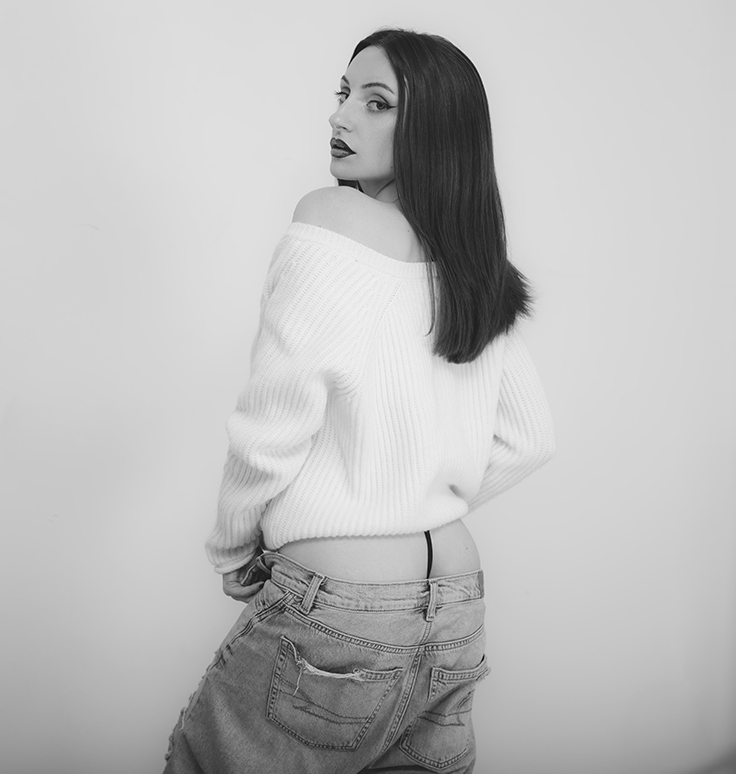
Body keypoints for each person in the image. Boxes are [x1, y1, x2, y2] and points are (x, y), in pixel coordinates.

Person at [163, 28, 556, 774]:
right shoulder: (472, 264)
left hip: (343, 606)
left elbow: (274, 419)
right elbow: (530, 438)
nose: (340, 116)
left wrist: (234, 545)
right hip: (456, 604)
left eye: (377, 103)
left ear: (435, 131)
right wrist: (410, 502)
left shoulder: (330, 218)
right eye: (344, 94)